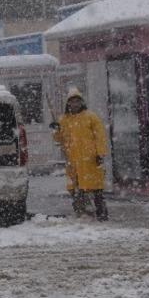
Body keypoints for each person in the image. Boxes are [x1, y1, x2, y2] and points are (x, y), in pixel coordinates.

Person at [51, 88, 109, 221]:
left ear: (81, 102)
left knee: (96, 188)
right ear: (68, 104)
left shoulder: (91, 117)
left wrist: (100, 153)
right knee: (76, 189)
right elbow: (58, 139)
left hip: (90, 159)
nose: (75, 104)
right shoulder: (63, 120)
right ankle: (81, 212)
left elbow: (100, 137)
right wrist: (55, 130)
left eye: (77, 101)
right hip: (73, 160)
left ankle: (101, 212)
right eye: (72, 102)